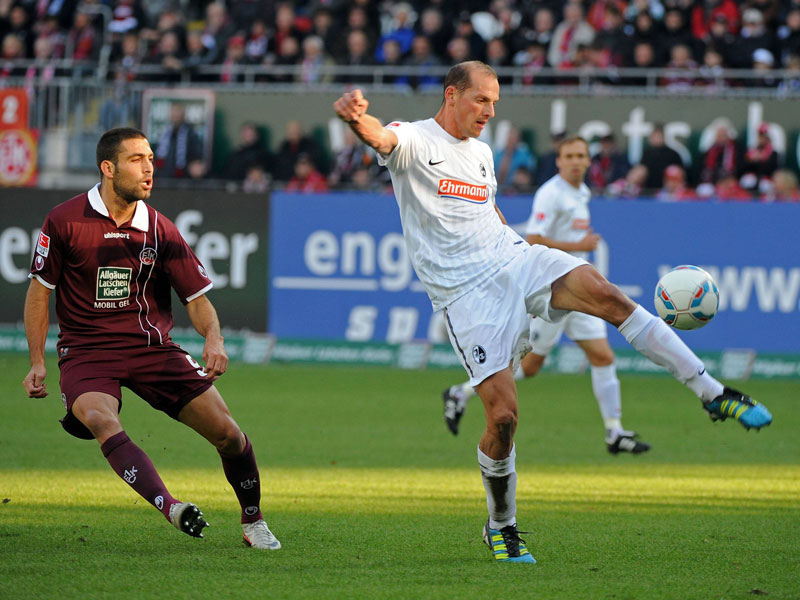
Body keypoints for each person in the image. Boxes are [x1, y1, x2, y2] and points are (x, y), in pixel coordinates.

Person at [333, 61, 772, 565]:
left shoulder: (480, 153)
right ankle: (501, 526)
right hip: (465, 296)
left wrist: (514, 241)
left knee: (609, 295)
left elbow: (488, 210)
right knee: (503, 419)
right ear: (451, 95)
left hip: (514, 257)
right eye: (481, 100)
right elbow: (379, 140)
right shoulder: (412, 139)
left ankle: (712, 392)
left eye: (495, 102)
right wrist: (356, 120)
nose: (490, 111)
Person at [22, 128, 280, 551]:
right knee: (102, 419)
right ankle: (171, 506)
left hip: (151, 349)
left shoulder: (160, 228)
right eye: (137, 159)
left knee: (229, 435)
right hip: (87, 353)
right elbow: (39, 293)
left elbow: (196, 299)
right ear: (108, 168)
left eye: (151, 159)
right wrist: (37, 361)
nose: (148, 169)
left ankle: (253, 521)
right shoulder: (64, 220)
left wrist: (213, 337)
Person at [442, 136, 650, 455]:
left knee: (603, 357)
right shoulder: (550, 194)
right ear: (559, 160)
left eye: (582, 155)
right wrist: (577, 248)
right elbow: (535, 238)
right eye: (570, 155)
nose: (577, 161)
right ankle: (461, 392)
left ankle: (614, 432)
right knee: (526, 365)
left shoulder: (580, 192)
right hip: (552, 290)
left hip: (579, 289)